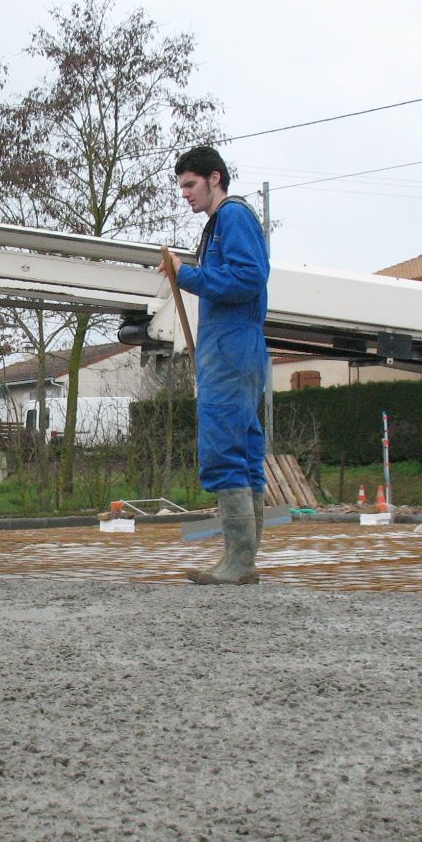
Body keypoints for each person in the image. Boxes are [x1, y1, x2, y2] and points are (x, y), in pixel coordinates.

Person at [160, 145, 270, 586]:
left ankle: (239, 562)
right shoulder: (219, 226)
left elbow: (248, 278)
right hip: (235, 346)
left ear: (215, 178)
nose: (185, 194)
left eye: (190, 184)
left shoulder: (232, 218)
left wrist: (186, 275)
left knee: (225, 448)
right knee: (244, 452)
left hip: (230, 347)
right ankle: (242, 561)